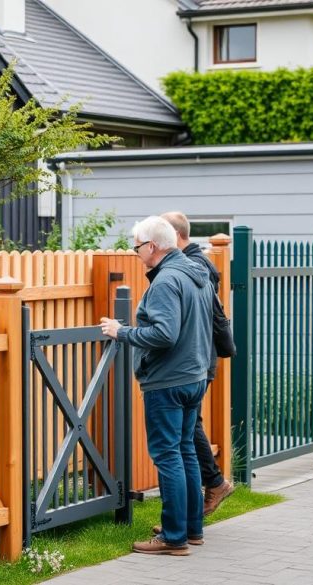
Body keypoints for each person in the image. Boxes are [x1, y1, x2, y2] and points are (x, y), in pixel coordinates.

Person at [99, 215, 214, 556]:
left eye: (137, 246)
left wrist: (122, 332)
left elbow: (164, 334)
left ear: (152, 246)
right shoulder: (197, 273)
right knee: (185, 451)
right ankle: (192, 529)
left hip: (168, 380)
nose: (135, 253)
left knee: (168, 456)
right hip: (194, 375)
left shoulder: (165, 281)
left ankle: (174, 537)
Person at [161, 211, 236, 516]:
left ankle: (214, 484)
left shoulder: (196, 265)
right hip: (201, 358)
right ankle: (197, 507)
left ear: (177, 236)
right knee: (190, 431)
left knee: (187, 434)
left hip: (195, 360)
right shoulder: (200, 263)